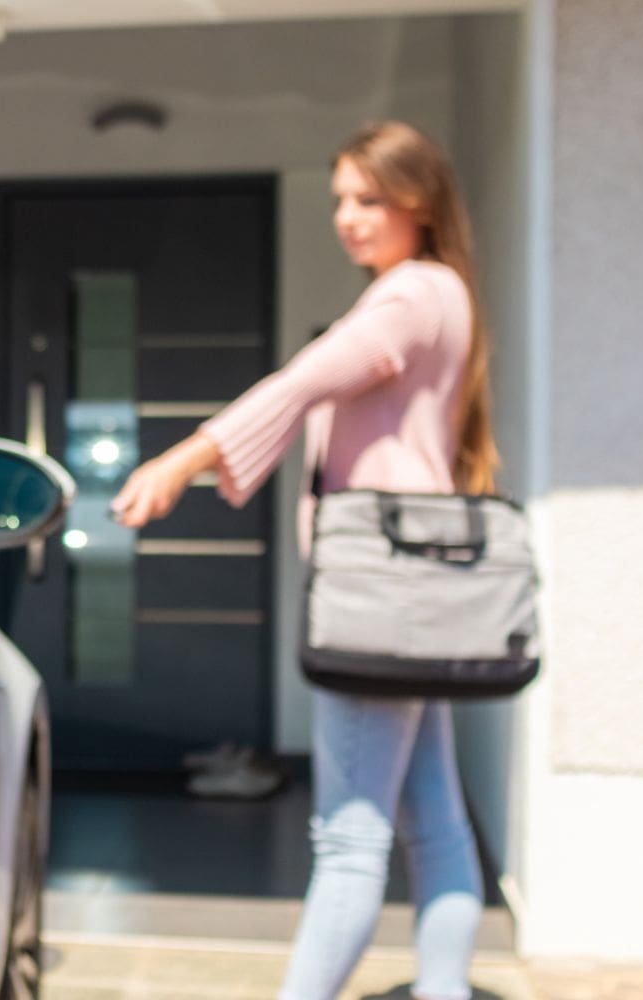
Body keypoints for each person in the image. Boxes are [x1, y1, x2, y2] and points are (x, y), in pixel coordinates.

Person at [110, 120, 498, 1000]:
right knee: (435, 822)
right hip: (417, 591)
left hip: (379, 594)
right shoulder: (446, 293)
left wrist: (182, 459)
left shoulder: (408, 295)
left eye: (370, 199)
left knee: (351, 838)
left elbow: (303, 380)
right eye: (340, 201)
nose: (348, 218)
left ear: (420, 201)